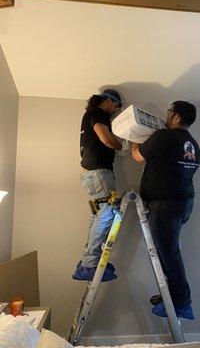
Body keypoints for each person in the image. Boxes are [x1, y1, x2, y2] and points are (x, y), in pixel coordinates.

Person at [130, 101, 200, 319]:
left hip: (165, 206)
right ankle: (173, 294)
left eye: (169, 112)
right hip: (182, 204)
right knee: (168, 252)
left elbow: (137, 157)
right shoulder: (193, 144)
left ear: (177, 116)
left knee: (169, 254)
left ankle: (182, 302)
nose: (167, 116)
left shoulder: (163, 137)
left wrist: (133, 137)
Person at [72, 89, 124, 282]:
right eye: (117, 105)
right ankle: (90, 263)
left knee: (98, 214)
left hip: (91, 174)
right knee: (108, 211)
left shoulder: (90, 114)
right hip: (99, 173)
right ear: (109, 101)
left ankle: (89, 259)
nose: (116, 110)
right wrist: (121, 146)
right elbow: (105, 138)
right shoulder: (98, 113)